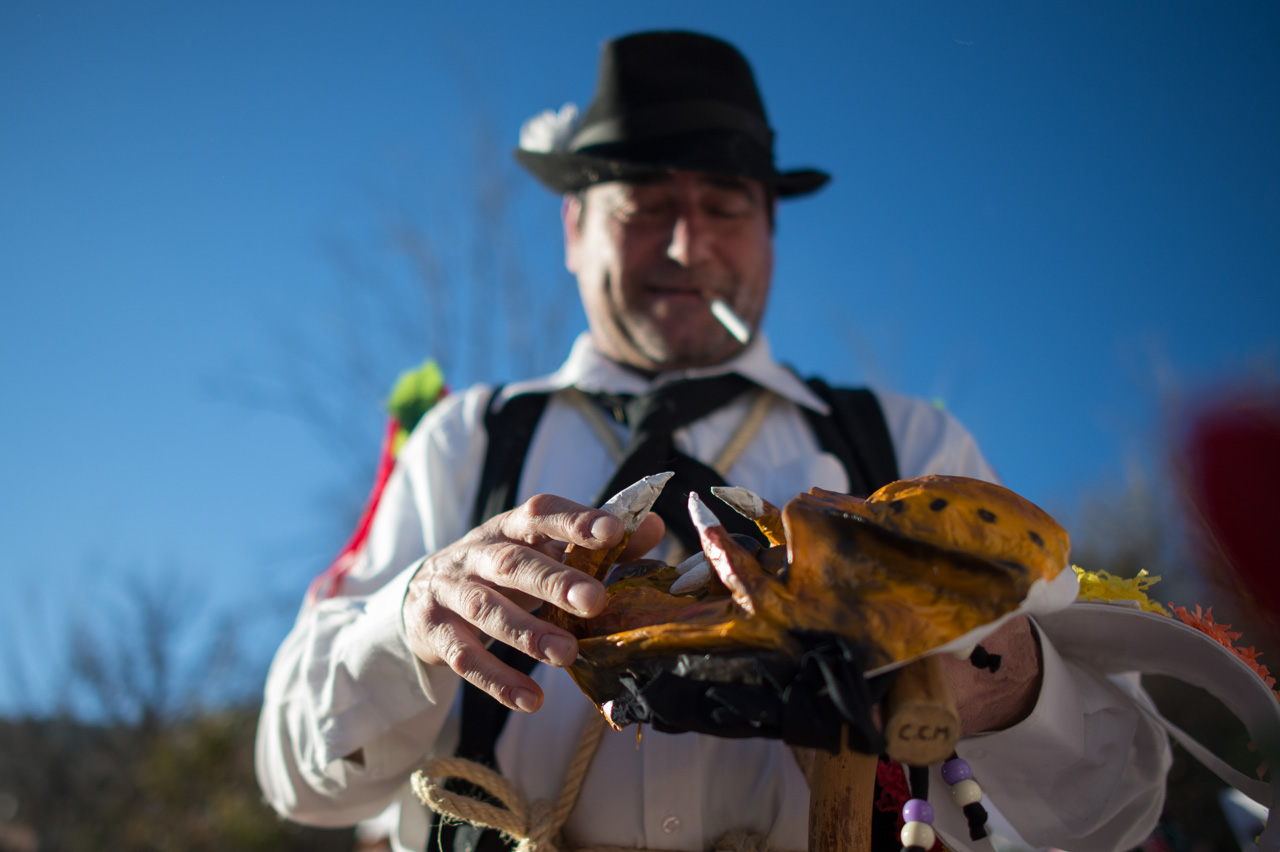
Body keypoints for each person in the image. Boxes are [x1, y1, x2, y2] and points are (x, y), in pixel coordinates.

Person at [256, 31, 1170, 852]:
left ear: (770, 229)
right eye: (644, 204)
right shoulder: (466, 439)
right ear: (574, 229)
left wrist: (998, 680)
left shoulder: (911, 440)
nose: (687, 246)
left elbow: (1117, 810)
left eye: (725, 204)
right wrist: (407, 622)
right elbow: (298, 781)